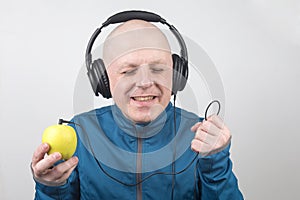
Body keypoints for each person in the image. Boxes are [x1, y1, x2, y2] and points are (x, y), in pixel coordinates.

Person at [31, 11, 244, 199]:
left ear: (177, 74)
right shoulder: (80, 132)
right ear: (103, 80)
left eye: (158, 69)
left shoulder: (202, 136)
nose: (144, 83)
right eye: (128, 71)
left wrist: (215, 162)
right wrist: (52, 188)